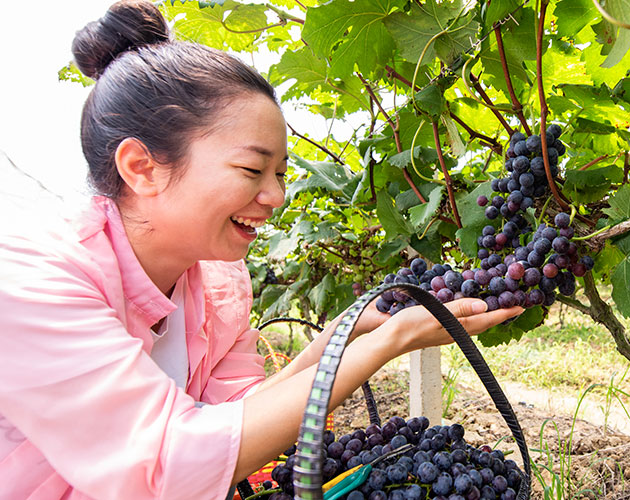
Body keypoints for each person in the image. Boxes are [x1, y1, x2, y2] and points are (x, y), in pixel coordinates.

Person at [0, 1, 522, 499]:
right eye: (253, 170)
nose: (274, 196)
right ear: (141, 167)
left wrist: (341, 335)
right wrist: (389, 342)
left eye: (279, 174)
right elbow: (166, 465)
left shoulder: (219, 284)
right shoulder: (32, 282)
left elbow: (239, 420)